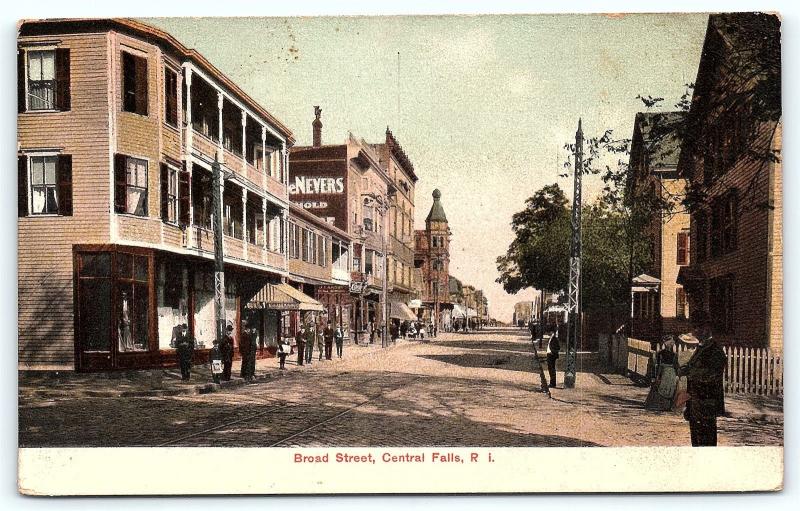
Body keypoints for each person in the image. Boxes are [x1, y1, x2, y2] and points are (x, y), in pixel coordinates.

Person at [678, 311, 727, 447]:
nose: (694, 332)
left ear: (707, 328)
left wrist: (690, 372)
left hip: (707, 406)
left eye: (697, 328)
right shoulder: (701, 348)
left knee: (707, 444)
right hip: (695, 406)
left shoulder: (715, 350)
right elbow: (697, 370)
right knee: (697, 444)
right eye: (694, 327)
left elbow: (711, 375)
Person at [645, 336, 679, 411]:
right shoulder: (661, 353)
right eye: (668, 343)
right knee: (660, 387)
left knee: (669, 388)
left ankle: (667, 405)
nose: (669, 345)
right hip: (663, 372)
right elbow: (657, 365)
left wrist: (676, 374)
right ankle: (658, 405)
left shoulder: (674, 355)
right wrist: (657, 375)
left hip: (670, 373)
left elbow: (676, 365)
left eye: (671, 344)